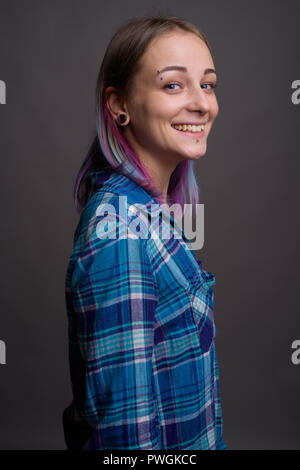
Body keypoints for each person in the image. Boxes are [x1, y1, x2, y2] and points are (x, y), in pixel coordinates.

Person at [63, 15, 227, 450]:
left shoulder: (150, 214)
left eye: (207, 84)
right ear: (119, 105)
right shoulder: (120, 232)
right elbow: (125, 441)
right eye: (173, 85)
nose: (201, 103)